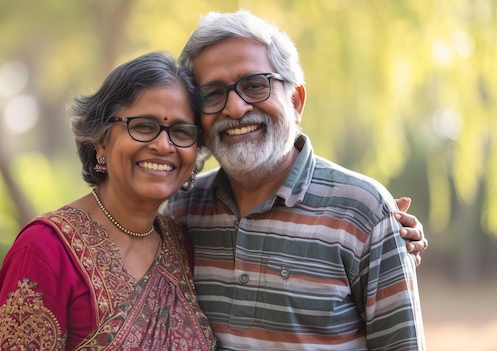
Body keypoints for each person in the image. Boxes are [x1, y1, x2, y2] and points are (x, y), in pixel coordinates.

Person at [164, 10, 426, 350]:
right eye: (213, 93)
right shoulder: (184, 209)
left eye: (254, 85)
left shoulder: (365, 213)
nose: (236, 107)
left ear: (296, 100)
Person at [0, 52, 217, 350]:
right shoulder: (44, 250)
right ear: (100, 140)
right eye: (143, 126)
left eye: (181, 131)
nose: (164, 145)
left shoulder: (183, 244)